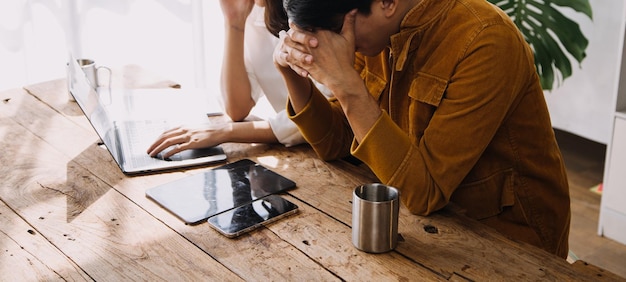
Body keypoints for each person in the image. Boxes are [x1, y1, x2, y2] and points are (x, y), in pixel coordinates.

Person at [274, 0, 571, 258]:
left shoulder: (486, 39)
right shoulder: (371, 33)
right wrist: (293, 75)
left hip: (507, 241)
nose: (335, 45)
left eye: (335, 31)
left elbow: (425, 192)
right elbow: (336, 143)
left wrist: (348, 87)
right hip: (424, 228)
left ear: (387, 2)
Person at [147, 0, 324, 159]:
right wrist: (234, 22)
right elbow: (237, 107)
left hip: (335, 155)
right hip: (301, 155)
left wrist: (225, 132)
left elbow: (320, 115)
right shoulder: (254, 11)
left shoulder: (316, 14)